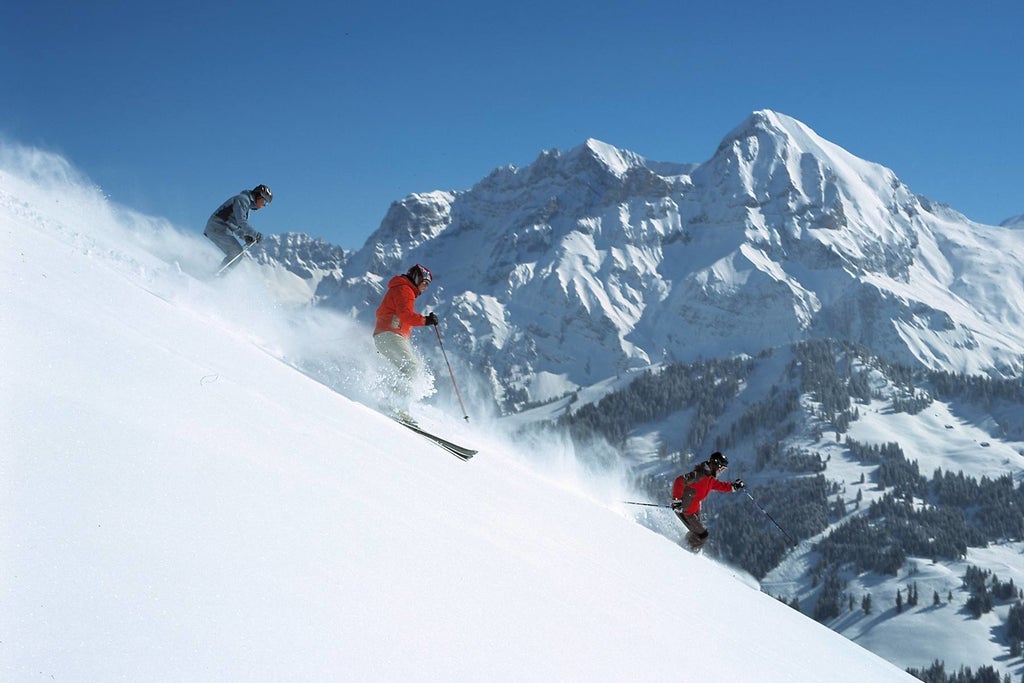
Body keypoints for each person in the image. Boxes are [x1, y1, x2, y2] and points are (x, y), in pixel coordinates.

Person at [373, 264, 439, 422]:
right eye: (425, 283)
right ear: (417, 278)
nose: (425, 288)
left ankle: (389, 401)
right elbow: (405, 315)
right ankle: (396, 407)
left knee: (409, 370)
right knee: (413, 368)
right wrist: (426, 320)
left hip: (387, 336)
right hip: (390, 335)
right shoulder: (405, 289)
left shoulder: (404, 289)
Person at [671, 451, 744, 552]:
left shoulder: (709, 477)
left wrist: (733, 487)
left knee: (698, 533)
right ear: (715, 464)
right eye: (721, 468)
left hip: (693, 510)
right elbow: (679, 480)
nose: (721, 471)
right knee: (702, 535)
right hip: (685, 510)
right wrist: (677, 501)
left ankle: (683, 546)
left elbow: (718, 485)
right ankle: (685, 552)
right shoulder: (699, 475)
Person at [204, 184, 272, 272]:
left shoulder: (246, 204)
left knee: (237, 253)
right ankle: (217, 275)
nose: (264, 205)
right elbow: (242, 222)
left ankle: (217, 274)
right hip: (217, 227)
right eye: (265, 202)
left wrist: (245, 237)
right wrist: (256, 234)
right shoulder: (243, 200)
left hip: (221, 228)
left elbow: (236, 226)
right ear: (259, 196)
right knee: (237, 253)